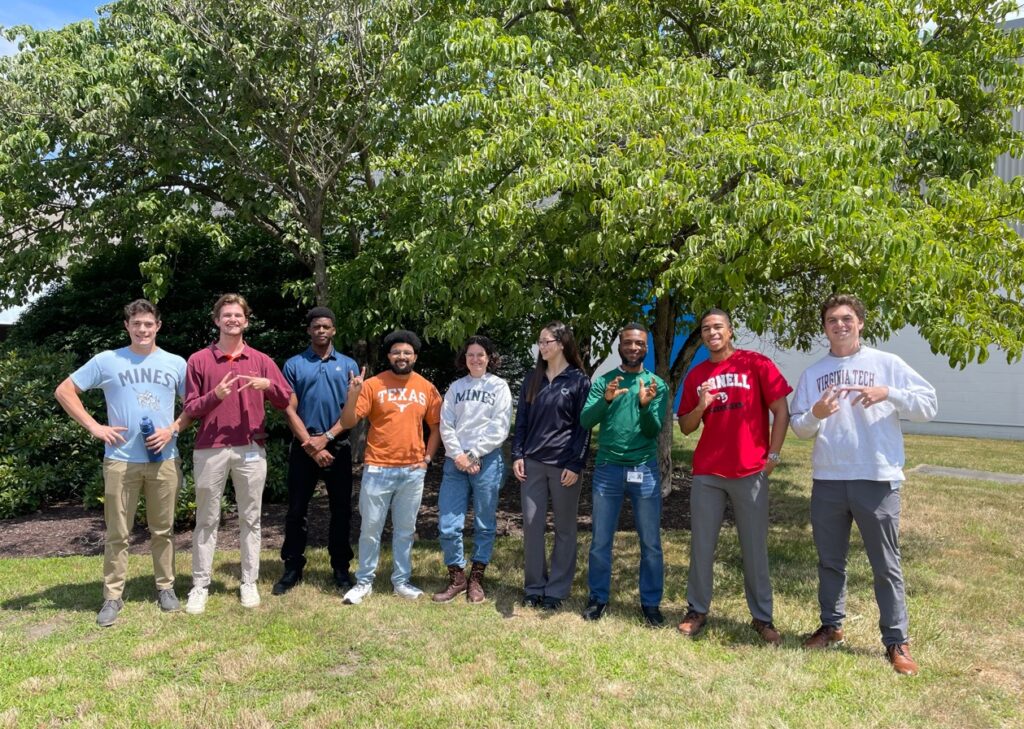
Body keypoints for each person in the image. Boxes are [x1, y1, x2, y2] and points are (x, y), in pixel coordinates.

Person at [790, 294, 937, 676]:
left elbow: (928, 406)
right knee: (829, 561)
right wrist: (816, 414)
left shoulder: (886, 364)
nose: (839, 325)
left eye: (846, 318)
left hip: (876, 477)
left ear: (860, 323)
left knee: (886, 564)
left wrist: (890, 393)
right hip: (829, 480)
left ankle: (896, 641)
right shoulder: (812, 373)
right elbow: (800, 428)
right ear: (824, 327)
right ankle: (831, 625)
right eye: (831, 320)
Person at [55, 299, 191, 627]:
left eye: (148, 324)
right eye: (136, 324)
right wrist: (94, 426)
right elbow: (64, 391)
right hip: (120, 461)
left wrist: (173, 428)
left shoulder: (176, 363)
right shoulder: (108, 361)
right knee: (118, 532)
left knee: (163, 529)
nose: (142, 329)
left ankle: (166, 588)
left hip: (164, 460)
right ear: (126, 326)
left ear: (158, 325)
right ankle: (113, 596)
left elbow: (193, 406)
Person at [676, 309, 791, 645]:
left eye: (718, 327)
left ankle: (762, 618)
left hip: (749, 470)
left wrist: (773, 454)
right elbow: (685, 427)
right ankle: (697, 610)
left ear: (730, 330)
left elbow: (781, 409)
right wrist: (701, 404)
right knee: (702, 545)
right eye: (706, 328)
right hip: (708, 472)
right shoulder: (698, 374)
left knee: (754, 547)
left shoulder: (756, 364)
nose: (712, 332)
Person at [182, 293, 292, 614]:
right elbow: (189, 408)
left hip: (251, 448)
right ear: (217, 320)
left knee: (251, 519)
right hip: (209, 450)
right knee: (207, 520)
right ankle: (200, 585)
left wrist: (267, 386)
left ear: (246, 320)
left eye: (238, 315)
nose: (232, 319)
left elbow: (286, 399)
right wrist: (214, 396)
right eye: (226, 315)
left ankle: (248, 582)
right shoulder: (199, 360)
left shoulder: (260, 360)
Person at [339, 330, 442, 605]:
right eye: (396, 352)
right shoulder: (372, 385)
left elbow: (436, 427)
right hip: (377, 468)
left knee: (405, 530)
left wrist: (427, 460)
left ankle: (401, 581)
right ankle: (364, 582)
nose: (401, 356)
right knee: (370, 528)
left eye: (407, 352)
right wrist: (353, 395)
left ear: (415, 357)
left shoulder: (426, 387)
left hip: (412, 471)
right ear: (388, 356)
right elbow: (349, 422)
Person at [579, 323, 668, 626]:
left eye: (639, 343)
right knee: (601, 539)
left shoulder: (656, 384)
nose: (633, 348)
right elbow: (585, 421)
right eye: (628, 342)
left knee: (651, 542)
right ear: (619, 346)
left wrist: (645, 406)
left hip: (644, 469)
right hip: (608, 470)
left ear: (646, 348)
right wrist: (606, 400)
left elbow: (653, 430)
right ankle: (598, 598)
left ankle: (651, 603)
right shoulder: (605, 381)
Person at [274, 307, 360, 595]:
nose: (321, 331)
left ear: (334, 329)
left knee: (341, 510)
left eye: (326, 326)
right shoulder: (294, 365)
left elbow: (352, 412)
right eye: (316, 327)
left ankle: (340, 567)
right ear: (309, 330)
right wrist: (311, 445)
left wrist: (327, 438)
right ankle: (293, 567)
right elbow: (288, 409)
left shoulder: (348, 364)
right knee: (297, 510)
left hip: (338, 445)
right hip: (303, 446)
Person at [511, 321, 591, 611]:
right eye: (540, 343)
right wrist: (517, 454)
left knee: (565, 528)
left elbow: (584, 428)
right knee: (532, 526)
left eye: (547, 342)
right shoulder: (533, 379)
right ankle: (534, 587)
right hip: (532, 464)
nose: (542, 347)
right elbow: (521, 421)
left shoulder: (579, 380)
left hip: (564, 467)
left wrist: (575, 463)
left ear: (562, 343)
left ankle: (556, 590)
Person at [432, 336, 513, 604]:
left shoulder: (499, 386)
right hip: (456, 462)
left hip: (487, 460)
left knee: (484, 522)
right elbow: (447, 424)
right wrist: (459, 455)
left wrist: (474, 453)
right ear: (464, 359)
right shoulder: (456, 388)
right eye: (470, 355)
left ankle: (476, 579)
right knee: (448, 523)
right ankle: (457, 577)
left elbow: (500, 426)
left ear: (490, 357)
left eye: (481, 354)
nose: (475, 359)